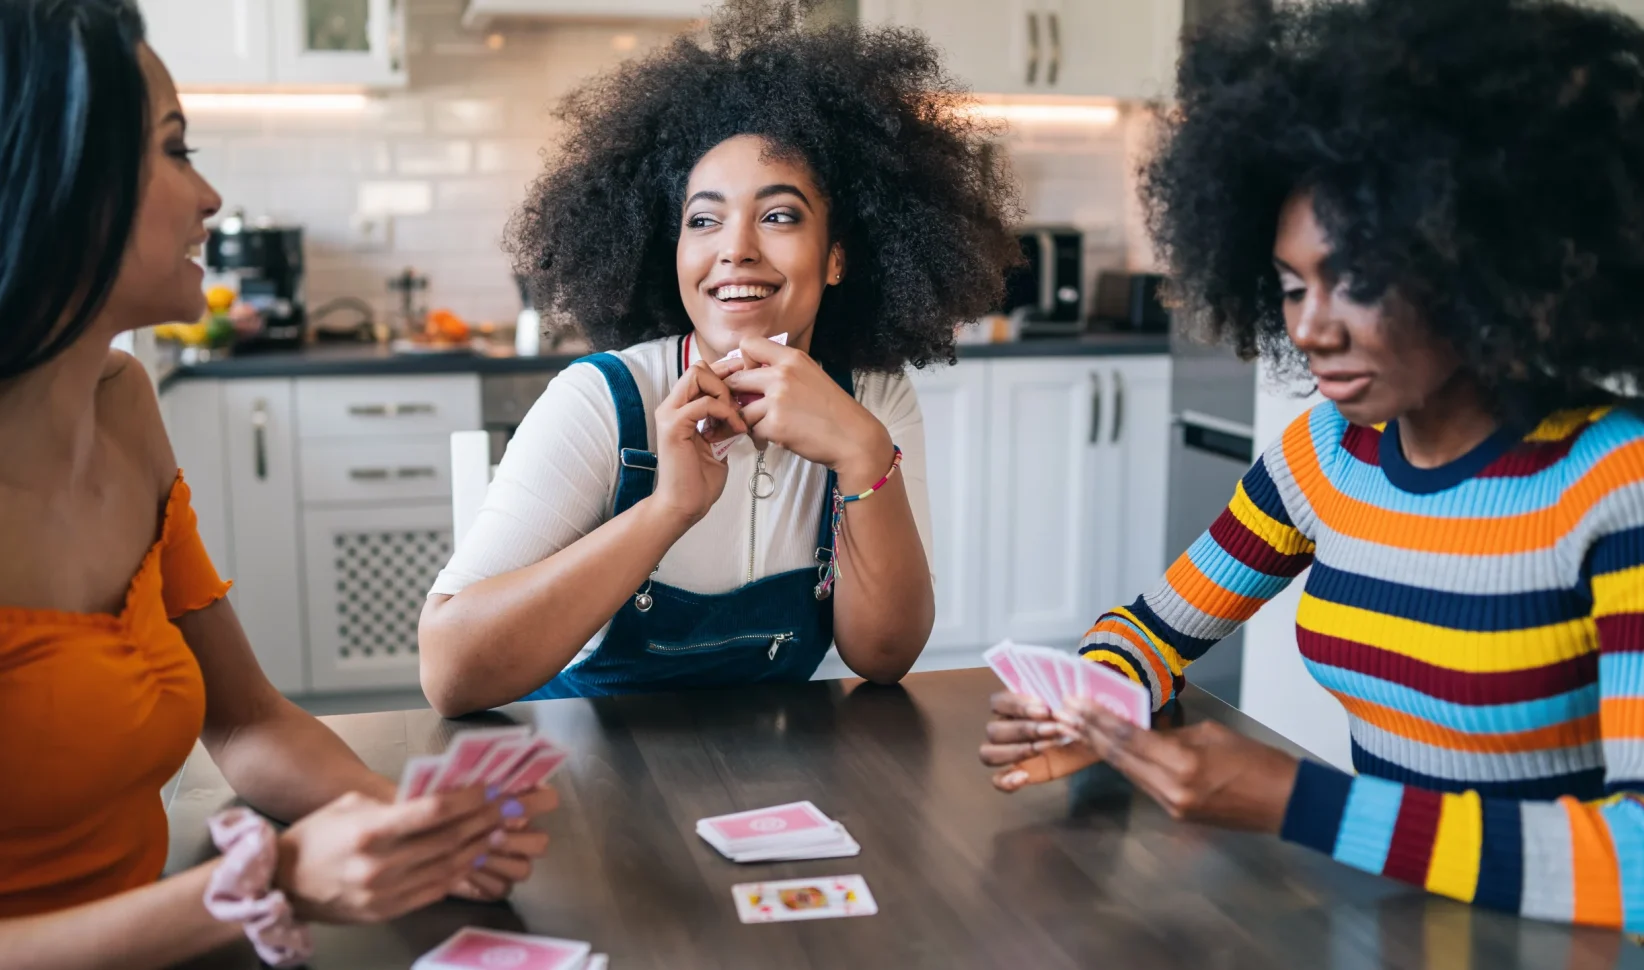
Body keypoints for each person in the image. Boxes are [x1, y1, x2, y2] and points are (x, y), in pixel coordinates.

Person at [981, 0, 1644, 934]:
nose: (1308, 327)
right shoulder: (1328, 451)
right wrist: (1093, 709)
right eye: (1292, 285)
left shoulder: (1617, 485)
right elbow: (1153, 629)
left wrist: (1303, 803)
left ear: (1485, 261)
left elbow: (1640, 864)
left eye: (1359, 280)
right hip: (1390, 923)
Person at [0, 3, 556, 966]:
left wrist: (406, 832)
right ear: (64, 177)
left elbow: (248, 719)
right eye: (176, 152)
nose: (210, 197)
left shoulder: (125, 406)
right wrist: (265, 888)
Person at [417, 0, 1019, 714]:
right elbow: (451, 675)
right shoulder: (604, 401)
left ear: (836, 258)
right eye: (703, 220)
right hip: (579, 778)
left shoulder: (873, 401)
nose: (735, 247)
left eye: (779, 215)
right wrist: (668, 509)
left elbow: (883, 658)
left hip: (778, 779)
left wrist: (864, 454)